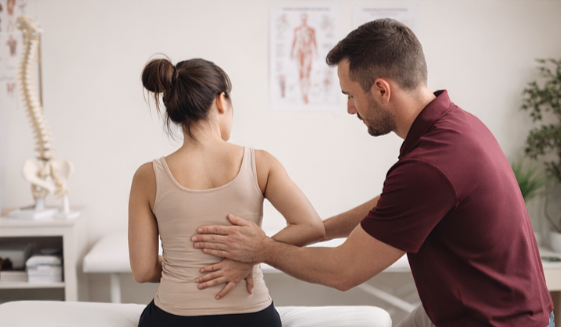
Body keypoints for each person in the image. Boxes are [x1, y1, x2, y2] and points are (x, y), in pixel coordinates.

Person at [192, 19, 554, 327]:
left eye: (351, 95)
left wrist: (262, 249)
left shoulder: (430, 165)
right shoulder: (454, 126)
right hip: (480, 307)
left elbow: (342, 272)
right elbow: (392, 205)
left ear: (381, 89)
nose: (350, 109)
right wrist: (317, 230)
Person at [129, 57, 325, 327]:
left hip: (173, 319)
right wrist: (253, 256)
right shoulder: (262, 163)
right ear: (222, 101)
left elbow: (142, 271)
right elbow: (312, 225)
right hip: (253, 318)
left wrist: (188, 266)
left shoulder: (147, 176)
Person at [290, 13, 317, 104]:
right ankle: (303, 94)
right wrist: (291, 51)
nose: (303, 20)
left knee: (307, 73)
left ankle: (306, 94)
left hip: (308, 52)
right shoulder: (297, 30)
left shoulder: (311, 30)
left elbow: (314, 41)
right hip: (299, 52)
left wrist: (316, 52)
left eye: (305, 19)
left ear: (307, 19)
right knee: (300, 73)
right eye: (302, 19)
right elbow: (294, 40)